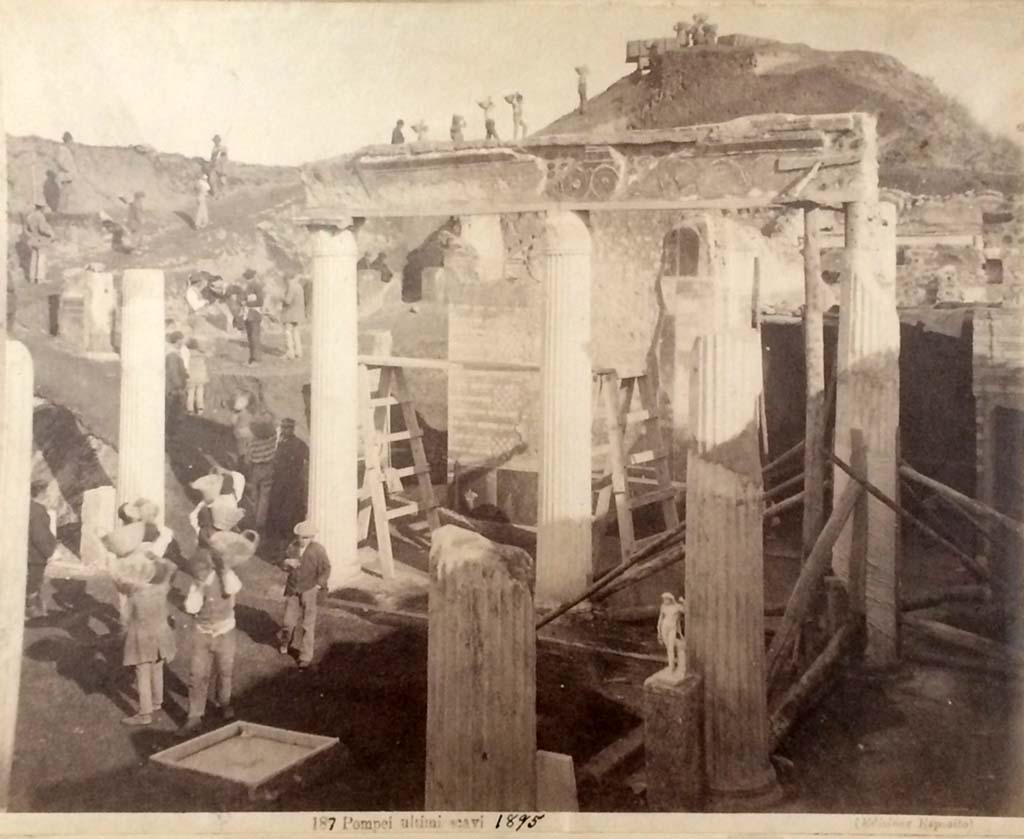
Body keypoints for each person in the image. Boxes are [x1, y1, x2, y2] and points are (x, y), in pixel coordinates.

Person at [107, 523, 177, 727]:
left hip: (141, 638)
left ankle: (145, 713)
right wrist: (155, 558)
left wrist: (119, 563)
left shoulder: (134, 594)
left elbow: (120, 584)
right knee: (157, 667)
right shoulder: (162, 588)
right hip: (161, 634)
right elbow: (172, 567)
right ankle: (157, 701)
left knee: (142, 672)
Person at [181, 547, 242, 733]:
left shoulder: (225, 577)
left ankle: (224, 703)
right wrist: (199, 588)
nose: (199, 576)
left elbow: (234, 588)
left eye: (202, 573)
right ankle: (194, 715)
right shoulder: (196, 584)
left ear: (210, 568)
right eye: (196, 574)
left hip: (224, 631)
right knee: (197, 674)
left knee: (225, 671)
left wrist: (225, 570)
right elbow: (191, 608)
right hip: (203, 632)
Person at [278, 521, 330, 669]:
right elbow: (282, 565)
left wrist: (319, 584)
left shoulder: (318, 550)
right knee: (288, 622)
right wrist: (286, 562)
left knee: (308, 624)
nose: (303, 540)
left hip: (309, 589)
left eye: (307, 537)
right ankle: (285, 641)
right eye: (301, 537)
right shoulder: (292, 547)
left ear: (312, 537)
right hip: (293, 589)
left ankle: (305, 656)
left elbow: (326, 568)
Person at [266, 418, 309, 541]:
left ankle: (288, 534)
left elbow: (308, 458)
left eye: (288, 427)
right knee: (276, 507)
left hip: (292, 481)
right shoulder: (279, 442)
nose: (285, 430)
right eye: (283, 427)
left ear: (292, 429)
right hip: (279, 480)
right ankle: (276, 534)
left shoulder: (299, 444)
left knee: (290, 508)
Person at [27, 481, 57, 618]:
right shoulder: (39, 511)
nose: (50, 496)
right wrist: (49, 552)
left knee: (32, 583)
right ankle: (31, 612)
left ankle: (35, 610)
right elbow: (39, 537)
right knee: (33, 585)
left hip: (30, 554)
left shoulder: (29, 507)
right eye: (48, 492)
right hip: (36, 556)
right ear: (42, 494)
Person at [246, 417, 278, 531]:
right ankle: (260, 522)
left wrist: (250, 472)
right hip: (268, 467)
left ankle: (255, 517)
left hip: (256, 469)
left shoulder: (253, 443)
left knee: (255, 495)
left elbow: (249, 460)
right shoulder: (272, 440)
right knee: (264, 496)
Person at [165, 332, 188, 437]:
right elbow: (173, 372)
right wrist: (179, 386)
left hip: (174, 387)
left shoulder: (174, 353)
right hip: (173, 388)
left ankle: (171, 433)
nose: (183, 342)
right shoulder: (172, 354)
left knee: (173, 410)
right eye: (182, 339)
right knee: (173, 410)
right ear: (177, 340)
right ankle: (171, 433)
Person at [25, 201, 54, 284]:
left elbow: (27, 229)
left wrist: (32, 235)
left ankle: (32, 278)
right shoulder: (40, 216)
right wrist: (50, 234)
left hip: (33, 239)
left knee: (33, 259)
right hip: (41, 240)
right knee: (41, 258)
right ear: (42, 207)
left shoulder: (29, 216)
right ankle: (40, 279)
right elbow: (42, 229)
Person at [241, 269, 263, 365]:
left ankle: (256, 360)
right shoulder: (248, 287)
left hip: (255, 314)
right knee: (250, 337)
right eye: (247, 278)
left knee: (254, 337)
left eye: (249, 278)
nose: (248, 280)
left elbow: (260, 302)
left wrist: (246, 303)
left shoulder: (257, 286)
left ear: (253, 277)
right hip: (248, 314)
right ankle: (251, 359)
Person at [281, 274, 306, 360]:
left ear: (288, 279)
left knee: (288, 333)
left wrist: (281, 297)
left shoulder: (291, 287)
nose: (285, 282)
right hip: (298, 314)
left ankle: (290, 353)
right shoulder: (299, 287)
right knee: (296, 333)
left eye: (285, 280)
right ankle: (298, 353)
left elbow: (287, 301)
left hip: (290, 314)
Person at [230, 392, 255, 476]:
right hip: (248, 433)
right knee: (247, 452)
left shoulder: (238, 413)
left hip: (241, 433)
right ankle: (246, 469)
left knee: (242, 452)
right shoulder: (249, 413)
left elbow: (233, 422)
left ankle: (242, 470)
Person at [185, 338, 208, 415]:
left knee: (190, 392)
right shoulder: (201, 354)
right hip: (200, 376)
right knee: (200, 391)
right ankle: (200, 408)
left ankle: (190, 409)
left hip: (191, 376)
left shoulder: (187, 354)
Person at [55, 132, 77, 212]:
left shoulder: (66, 150)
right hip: (65, 175)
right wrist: (67, 170)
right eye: (71, 140)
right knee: (64, 193)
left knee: (66, 193)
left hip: (67, 175)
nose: (72, 142)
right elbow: (60, 162)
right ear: (68, 140)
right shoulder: (63, 149)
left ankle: (63, 210)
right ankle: (61, 210)